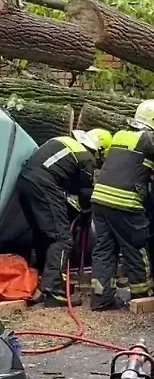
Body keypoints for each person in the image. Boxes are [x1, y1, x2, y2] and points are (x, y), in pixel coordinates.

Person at [90, 99, 154, 311]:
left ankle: (101, 297)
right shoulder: (144, 138)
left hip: (100, 200)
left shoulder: (121, 135)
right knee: (135, 246)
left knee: (104, 250)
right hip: (124, 202)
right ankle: (142, 292)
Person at [16, 129, 109, 307]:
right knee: (62, 239)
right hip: (44, 185)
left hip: (25, 181)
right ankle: (54, 291)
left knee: (44, 234)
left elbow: (65, 178)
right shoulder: (86, 157)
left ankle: (42, 279)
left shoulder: (65, 141)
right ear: (100, 149)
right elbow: (84, 192)